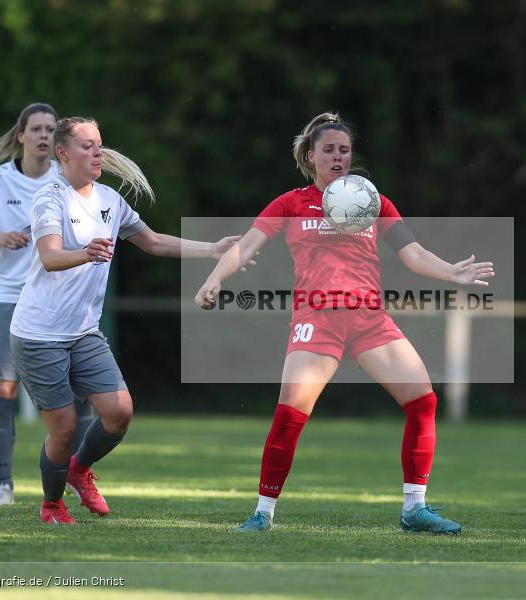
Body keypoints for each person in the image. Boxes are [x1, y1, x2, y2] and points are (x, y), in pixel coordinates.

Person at [195, 112, 494, 534]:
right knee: (290, 414)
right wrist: (214, 278)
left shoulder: (373, 202)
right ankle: (263, 513)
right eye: (329, 150)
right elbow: (245, 247)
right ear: (310, 155)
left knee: (423, 401)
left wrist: (451, 272)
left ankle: (414, 509)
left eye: (345, 150)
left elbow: (412, 253)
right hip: (317, 318)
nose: (338, 157)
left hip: (369, 318)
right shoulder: (290, 204)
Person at [10, 116, 242, 524]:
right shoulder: (50, 198)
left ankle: (79, 471)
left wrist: (213, 249)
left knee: (119, 412)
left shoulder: (110, 200)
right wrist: (85, 253)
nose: (98, 153)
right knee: (63, 429)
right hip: (39, 334)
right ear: (62, 153)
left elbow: (152, 242)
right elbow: (49, 257)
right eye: (87, 146)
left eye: (99, 144)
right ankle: (52, 505)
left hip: (83, 333)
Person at [0, 103, 94, 506]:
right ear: (21, 135)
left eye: (50, 129)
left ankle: (75, 473)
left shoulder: (65, 181)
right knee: (3, 387)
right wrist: (0, 237)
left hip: (55, 298)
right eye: (36, 129)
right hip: (5, 295)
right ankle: (3, 485)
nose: (43, 135)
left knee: (79, 390)